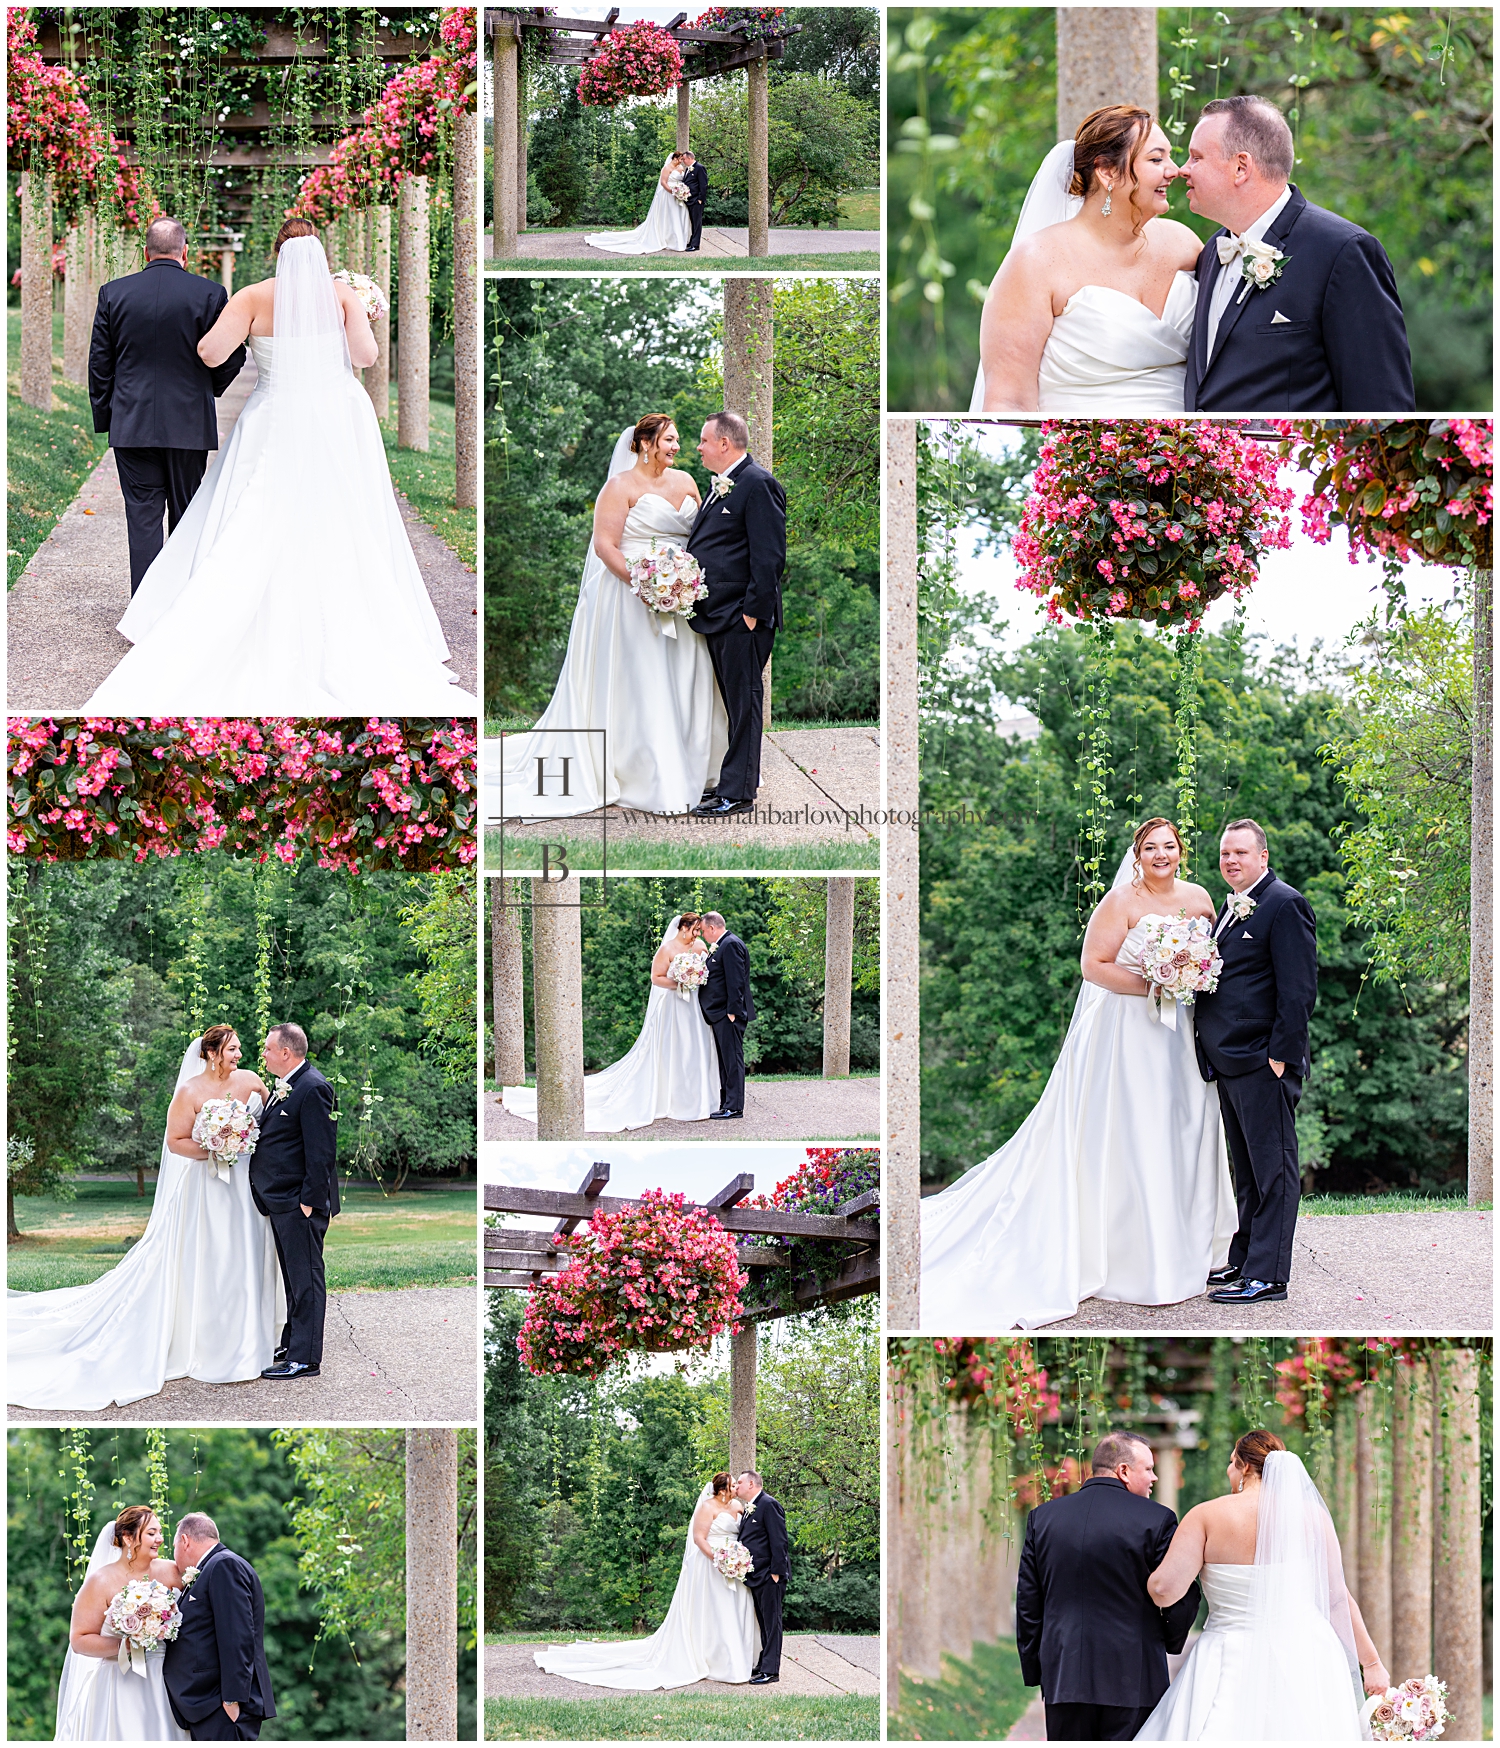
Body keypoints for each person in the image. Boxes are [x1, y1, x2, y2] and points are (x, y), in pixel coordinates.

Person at [82, 218, 476, 712]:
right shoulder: (341, 296)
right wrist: (357, 316)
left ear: (277, 253)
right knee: (342, 516)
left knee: (250, 514)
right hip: (336, 420)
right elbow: (367, 358)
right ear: (320, 254)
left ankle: (176, 609)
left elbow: (209, 352)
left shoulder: (252, 296)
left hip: (272, 414)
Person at [921, 820, 1236, 1328]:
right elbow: (1094, 966)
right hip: (1130, 1035)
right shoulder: (1119, 903)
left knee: (1184, 1132)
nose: (1161, 854)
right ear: (1138, 855)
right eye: (1151, 847)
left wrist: (1191, 977)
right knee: (1135, 1134)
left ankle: (1189, 1246)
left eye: (1169, 846)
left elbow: (1214, 960)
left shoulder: (1200, 897)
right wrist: (1157, 984)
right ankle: (1135, 1258)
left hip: (1184, 1037)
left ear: (1181, 851)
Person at [8, 1027, 284, 1411]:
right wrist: (218, 1148)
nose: (240, 1054)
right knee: (212, 1259)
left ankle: (252, 1337)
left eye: (239, 1048)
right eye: (233, 1049)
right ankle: (210, 1341)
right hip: (207, 1188)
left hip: (247, 1187)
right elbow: (176, 1142)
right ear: (211, 1053)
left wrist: (242, 1142)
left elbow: (270, 1125)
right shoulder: (189, 1092)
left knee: (247, 1256)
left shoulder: (252, 1081)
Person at [490, 415, 727, 820]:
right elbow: (605, 546)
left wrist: (678, 586)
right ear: (646, 443)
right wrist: (647, 585)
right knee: (643, 681)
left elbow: (702, 537)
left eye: (678, 441)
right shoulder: (618, 487)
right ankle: (645, 771)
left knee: (688, 675)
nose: (677, 447)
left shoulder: (687, 482)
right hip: (629, 597)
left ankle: (699, 763)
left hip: (681, 595)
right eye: (670, 440)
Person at [1137, 1431, 1389, 1739]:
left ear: (1244, 1467)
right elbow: (1337, 1599)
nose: (1228, 1470)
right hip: (1305, 1654)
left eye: (1231, 1462)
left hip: (1228, 1654)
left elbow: (1165, 1592)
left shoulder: (1206, 1515)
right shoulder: (1313, 1517)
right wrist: (1372, 1663)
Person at [1180, 96, 1414, 413]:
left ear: (1240, 167)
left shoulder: (1343, 251)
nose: (1183, 170)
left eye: (1196, 158)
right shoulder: (1212, 252)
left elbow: (1381, 401)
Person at [972, 106, 1202, 413]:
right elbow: (1009, 401)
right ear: (1107, 171)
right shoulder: (1036, 262)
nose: (1175, 170)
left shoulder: (1184, 244)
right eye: (1156, 159)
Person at [1194, 820, 1319, 1307]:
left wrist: (1280, 1058)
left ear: (1263, 857)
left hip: (1264, 1061)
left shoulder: (1285, 904)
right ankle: (1246, 1258)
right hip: (1229, 1059)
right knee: (1246, 1170)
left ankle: (1269, 1276)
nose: (1231, 861)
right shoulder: (1231, 906)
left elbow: (1299, 990)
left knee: (1275, 1170)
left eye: (1241, 853)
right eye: (1225, 853)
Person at [88, 216, 248, 593]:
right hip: (189, 423)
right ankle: (179, 604)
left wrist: (107, 417)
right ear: (185, 253)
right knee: (187, 515)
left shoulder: (113, 293)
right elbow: (231, 356)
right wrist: (207, 390)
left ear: (145, 252)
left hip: (131, 423)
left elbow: (100, 364)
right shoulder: (210, 294)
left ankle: (145, 608)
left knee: (142, 518)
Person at [1015, 1434, 1200, 1741]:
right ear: (1123, 1471)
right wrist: (1169, 1641)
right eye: (1148, 1469)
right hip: (1135, 1674)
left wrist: (1037, 1668)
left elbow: (1029, 1602)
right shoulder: (1157, 1519)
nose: (1154, 1477)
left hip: (1064, 1676)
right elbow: (1182, 1594)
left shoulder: (1043, 1518)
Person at [533, 1472, 758, 1687]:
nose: (736, 1488)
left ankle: (738, 1657)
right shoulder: (707, 1507)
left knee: (733, 1608)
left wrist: (735, 1560)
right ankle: (714, 1659)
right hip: (711, 1565)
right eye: (733, 1485)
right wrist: (718, 1560)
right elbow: (699, 1538)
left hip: (734, 1565)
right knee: (714, 1609)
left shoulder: (738, 1506)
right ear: (722, 1490)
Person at [502, 914, 719, 1129]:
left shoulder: (699, 946)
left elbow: (708, 971)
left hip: (695, 1008)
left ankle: (698, 1101)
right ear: (683, 927)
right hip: (674, 1007)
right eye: (695, 929)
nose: (697, 934)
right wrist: (680, 983)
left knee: (695, 1050)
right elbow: (656, 977)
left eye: (699, 930)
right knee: (672, 1052)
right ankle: (673, 1100)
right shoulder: (667, 949)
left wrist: (696, 978)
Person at [687, 412, 787, 817]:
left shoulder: (758, 483)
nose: (699, 447)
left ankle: (738, 794)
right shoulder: (722, 486)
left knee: (745, 703)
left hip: (740, 617)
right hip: (718, 613)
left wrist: (751, 614)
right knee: (734, 702)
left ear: (724, 443)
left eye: (704, 440)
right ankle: (730, 783)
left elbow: (770, 557)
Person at [55, 1507, 189, 1740]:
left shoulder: (171, 1572)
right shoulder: (100, 1581)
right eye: (151, 1533)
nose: (159, 1539)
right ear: (128, 1538)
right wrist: (125, 1645)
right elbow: (79, 1640)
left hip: (166, 1681)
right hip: (118, 1681)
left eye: (159, 1532)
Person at [252, 1023, 339, 1380]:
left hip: (298, 1202)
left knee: (306, 1278)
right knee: (293, 1278)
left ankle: (305, 1359)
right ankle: (293, 1343)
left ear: (286, 1052)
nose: (265, 1054)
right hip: (280, 1200)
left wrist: (308, 1202)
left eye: (269, 1049)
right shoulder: (289, 1086)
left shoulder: (314, 1087)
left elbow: (322, 1152)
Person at [163, 1513, 276, 1741]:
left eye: (174, 1546)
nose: (174, 1557)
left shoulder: (224, 1565)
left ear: (185, 1541)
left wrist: (232, 1700)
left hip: (220, 1705)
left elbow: (237, 1636)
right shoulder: (211, 1568)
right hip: (208, 1705)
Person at [734, 1470, 790, 1684]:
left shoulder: (769, 1504)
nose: (736, 1486)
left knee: (772, 1622)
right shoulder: (750, 1508)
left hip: (770, 1574)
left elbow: (779, 1540)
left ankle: (771, 1671)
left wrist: (776, 1572)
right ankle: (763, 1664)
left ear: (751, 1484)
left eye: (739, 1482)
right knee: (764, 1623)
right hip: (756, 1575)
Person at [698, 912, 755, 1120]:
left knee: (733, 1060)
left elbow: (736, 981)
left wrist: (732, 1012)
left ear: (712, 928)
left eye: (704, 931)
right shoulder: (723, 944)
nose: (704, 935)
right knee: (725, 1061)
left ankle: (735, 1107)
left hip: (728, 1014)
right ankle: (726, 1103)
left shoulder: (730, 944)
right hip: (720, 1013)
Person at [586, 152, 693, 254]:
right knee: (668, 216)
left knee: (678, 216)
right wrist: (672, 191)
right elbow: (663, 182)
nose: (681, 161)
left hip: (678, 196)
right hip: (668, 195)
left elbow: (683, 180)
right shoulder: (666, 168)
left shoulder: (681, 168)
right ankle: (668, 239)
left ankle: (679, 239)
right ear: (675, 158)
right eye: (680, 159)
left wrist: (681, 191)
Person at [680, 151, 709, 252]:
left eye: (684, 159)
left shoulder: (699, 168)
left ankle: (695, 245)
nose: (683, 161)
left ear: (689, 158)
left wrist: (700, 199)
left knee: (697, 223)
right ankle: (692, 241)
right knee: (692, 222)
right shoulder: (688, 169)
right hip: (689, 200)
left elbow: (703, 184)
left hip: (696, 200)